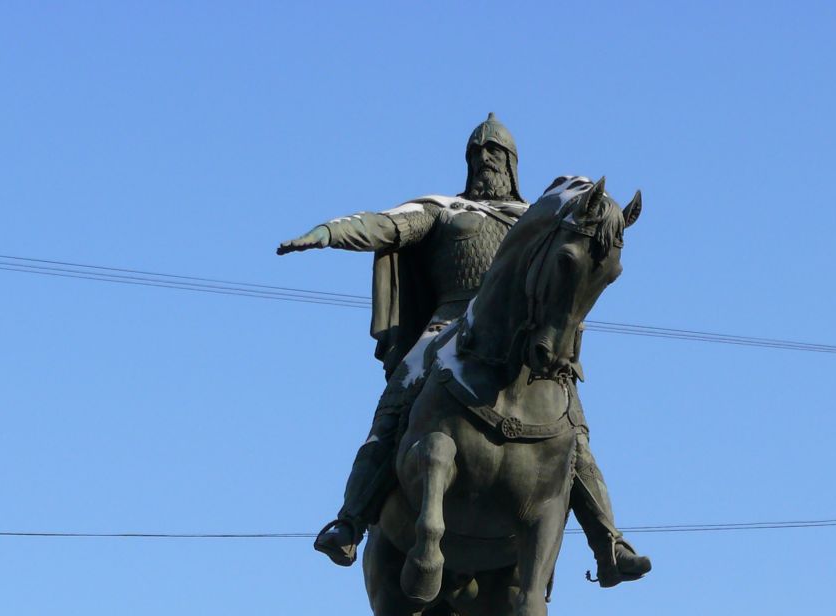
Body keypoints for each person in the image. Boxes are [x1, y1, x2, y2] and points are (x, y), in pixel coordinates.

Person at [277, 115, 651, 590]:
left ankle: (609, 543)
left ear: (513, 164)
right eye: (477, 153)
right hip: (445, 328)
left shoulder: (538, 220)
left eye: (495, 153)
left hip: (523, 341)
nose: (485, 160)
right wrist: (329, 233)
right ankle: (350, 520)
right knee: (394, 406)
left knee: (574, 431)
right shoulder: (443, 210)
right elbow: (386, 227)